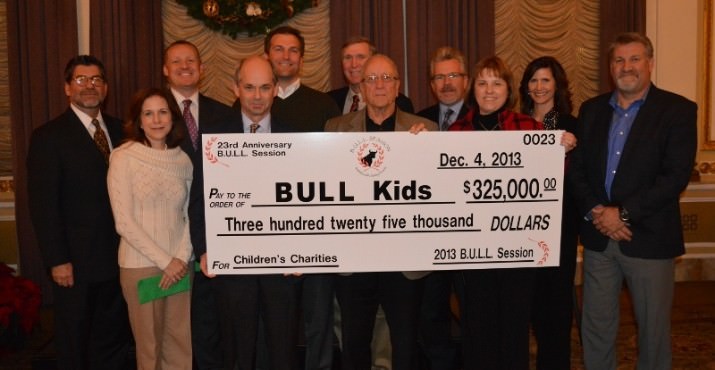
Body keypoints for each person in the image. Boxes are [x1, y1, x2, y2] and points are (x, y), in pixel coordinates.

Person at [568, 32, 697, 370]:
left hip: (649, 238)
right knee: (595, 328)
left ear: (650, 64)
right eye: (619, 60)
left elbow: (674, 177)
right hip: (599, 238)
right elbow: (577, 170)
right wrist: (599, 212)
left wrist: (621, 215)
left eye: (634, 59)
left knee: (653, 334)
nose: (627, 67)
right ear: (611, 67)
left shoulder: (678, 110)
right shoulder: (591, 110)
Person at [449, 55, 575, 370]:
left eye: (497, 83)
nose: (489, 90)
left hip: (519, 251)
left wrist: (561, 150)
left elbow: (552, 183)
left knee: (514, 330)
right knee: (478, 329)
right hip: (474, 251)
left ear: (508, 89)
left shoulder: (528, 127)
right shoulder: (454, 133)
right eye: (482, 83)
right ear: (472, 89)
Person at [325, 54, 436, 370]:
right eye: (372, 79)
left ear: (398, 85)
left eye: (387, 78)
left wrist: (429, 152)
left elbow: (440, 189)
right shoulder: (334, 130)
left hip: (404, 263)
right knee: (354, 346)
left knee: (404, 346)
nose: (380, 85)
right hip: (354, 260)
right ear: (361, 86)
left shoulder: (425, 131)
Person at [27, 55, 131, 370]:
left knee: (113, 339)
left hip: (121, 259)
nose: (90, 86)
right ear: (67, 88)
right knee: (75, 341)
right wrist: (57, 260)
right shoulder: (48, 136)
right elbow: (43, 205)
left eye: (96, 79)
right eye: (82, 80)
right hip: (75, 265)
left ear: (106, 87)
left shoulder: (122, 130)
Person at [210, 55, 300, 370]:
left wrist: (305, 250)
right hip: (234, 264)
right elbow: (198, 199)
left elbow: (308, 201)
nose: (257, 96)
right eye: (250, 87)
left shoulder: (296, 136)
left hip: (282, 266)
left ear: (275, 89)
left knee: (282, 348)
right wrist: (206, 248)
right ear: (236, 88)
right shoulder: (214, 137)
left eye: (264, 87)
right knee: (237, 350)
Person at [262, 25, 341, 370]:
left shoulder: (322, 104)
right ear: (267, 55)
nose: (285, 56)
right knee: (275, 319)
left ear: (302, 58)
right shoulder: (251, 103)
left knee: (319, 318)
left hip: (315, 228)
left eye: (292, 50)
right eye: (278, 49)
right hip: (269, 230)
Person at [163, 39, 240, 370]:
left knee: (210, 325)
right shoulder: (152, 113)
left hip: (213, 236)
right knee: (171, 328)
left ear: (202, 69)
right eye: (176, 61)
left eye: (191, 60)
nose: (185, 66)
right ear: (165, 70)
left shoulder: (225, 113)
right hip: (166, 239)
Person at [107, 88, 193, 370]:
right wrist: (165, 261)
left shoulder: (183, 160)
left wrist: (180, 259)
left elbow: (191, 215)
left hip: (181, 266)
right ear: (138, 121)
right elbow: (124, 221)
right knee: (149, 348)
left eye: (163, 112)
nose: (157, 120)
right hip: (141, 267)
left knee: (179, 343)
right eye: (148, 113)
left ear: (173, 117)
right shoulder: (123, 157)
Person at [518, 56, 579, 370]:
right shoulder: (512, 123)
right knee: (521, 308)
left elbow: (581, 182)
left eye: (545, 80)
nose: (539, 87)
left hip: (558, 234)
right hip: (516, 232)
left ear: (557, 85)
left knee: (553, 313)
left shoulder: (572, 126)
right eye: (533, 80)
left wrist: (571, 149)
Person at [415, 46, 470, 370]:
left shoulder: (485, 117)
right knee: (430, 310)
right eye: (439, 77)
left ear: (466, 80)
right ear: (431, 83)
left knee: (474, 310)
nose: (447, 83)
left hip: (472, 236)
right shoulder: (418, 120)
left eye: (453, 75)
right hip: (433, 235)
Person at [329, 36, 415, 114]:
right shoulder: (330, 100)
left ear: (373, 61)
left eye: (360, 57)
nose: (354, 64)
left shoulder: (400, 103)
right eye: (348, 58)